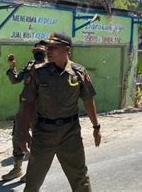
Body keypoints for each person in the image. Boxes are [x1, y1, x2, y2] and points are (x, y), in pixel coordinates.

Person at [20, 33, 101, 192]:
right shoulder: (38, 72)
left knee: (80, 179)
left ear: (67, 49)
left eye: (54, 47)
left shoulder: (78, 72)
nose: (48, 51)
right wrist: (24, 132)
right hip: (44, 132)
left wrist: (96, 127)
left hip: (70, 132)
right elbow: (28, 103)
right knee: (33, 182)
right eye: (48, 47)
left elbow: (88, 100)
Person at [1, 42, 46, 182]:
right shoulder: (29, 65)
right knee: (17, 135)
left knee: (36, 140)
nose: (38, 51)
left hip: (39, 109)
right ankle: (17, 168)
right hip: (24, 107)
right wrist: (12, 67)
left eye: (41, 49)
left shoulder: (51, 69)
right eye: (36, 49)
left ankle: (33, 171)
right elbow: (15, 80)